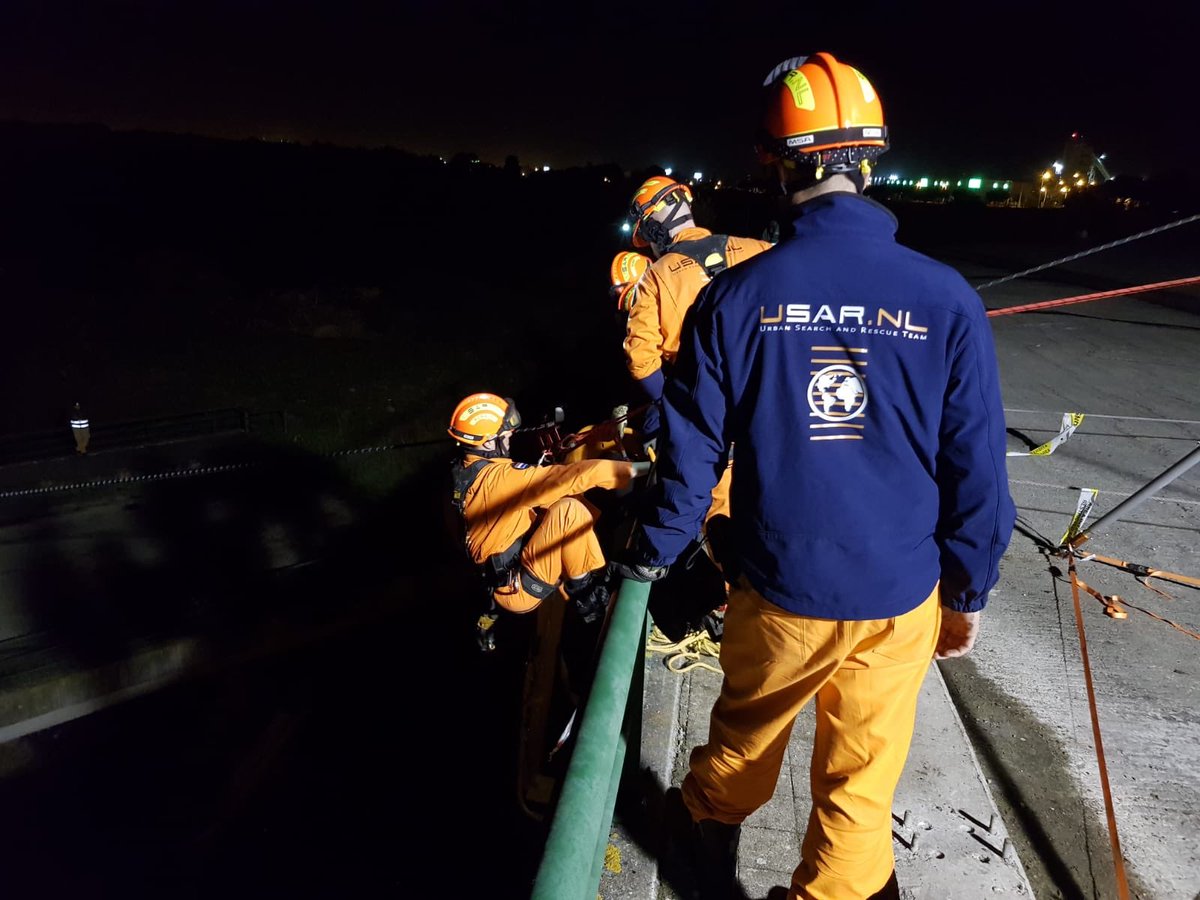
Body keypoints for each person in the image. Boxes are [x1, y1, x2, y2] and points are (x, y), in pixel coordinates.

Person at [616, 52, 1017, 900]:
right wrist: (968, 592)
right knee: (861, 791)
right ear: (868, 159)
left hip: (780, 588)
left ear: (774, 159)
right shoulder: (946, 299)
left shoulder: (734, 300)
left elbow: (690, 461)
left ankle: (703, 859)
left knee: (739, 752)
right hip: (900, 596)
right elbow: (977, 470)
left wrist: (649, 555)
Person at [447, 391, 648, 626]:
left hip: (500, 570)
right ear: (489, 441)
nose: (511, 435)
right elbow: (575, 476)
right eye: (506, 433)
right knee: (569, 511)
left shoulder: (462, 472)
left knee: (560, 502)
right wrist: (641, 469)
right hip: (519, 586)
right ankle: (588, 597)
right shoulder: (501, 479)